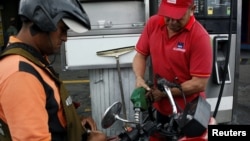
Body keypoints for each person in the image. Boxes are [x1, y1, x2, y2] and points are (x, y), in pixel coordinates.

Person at [0, 0, 107, 141]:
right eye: (62, 29)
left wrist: (73, 122)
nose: (65, 38)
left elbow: (46, 112)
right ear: (41, 22)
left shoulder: (34, 60)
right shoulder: (21, 75)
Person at [132, 0, 213, 140]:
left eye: (178, 17)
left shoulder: (200, 37)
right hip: (162, 108)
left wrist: (163, 93)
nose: (172, 22)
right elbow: (140, 55)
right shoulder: (153, 23)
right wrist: (139, 77)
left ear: (192, 9)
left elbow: (199, 83)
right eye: (168, 16)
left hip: (189, 112)